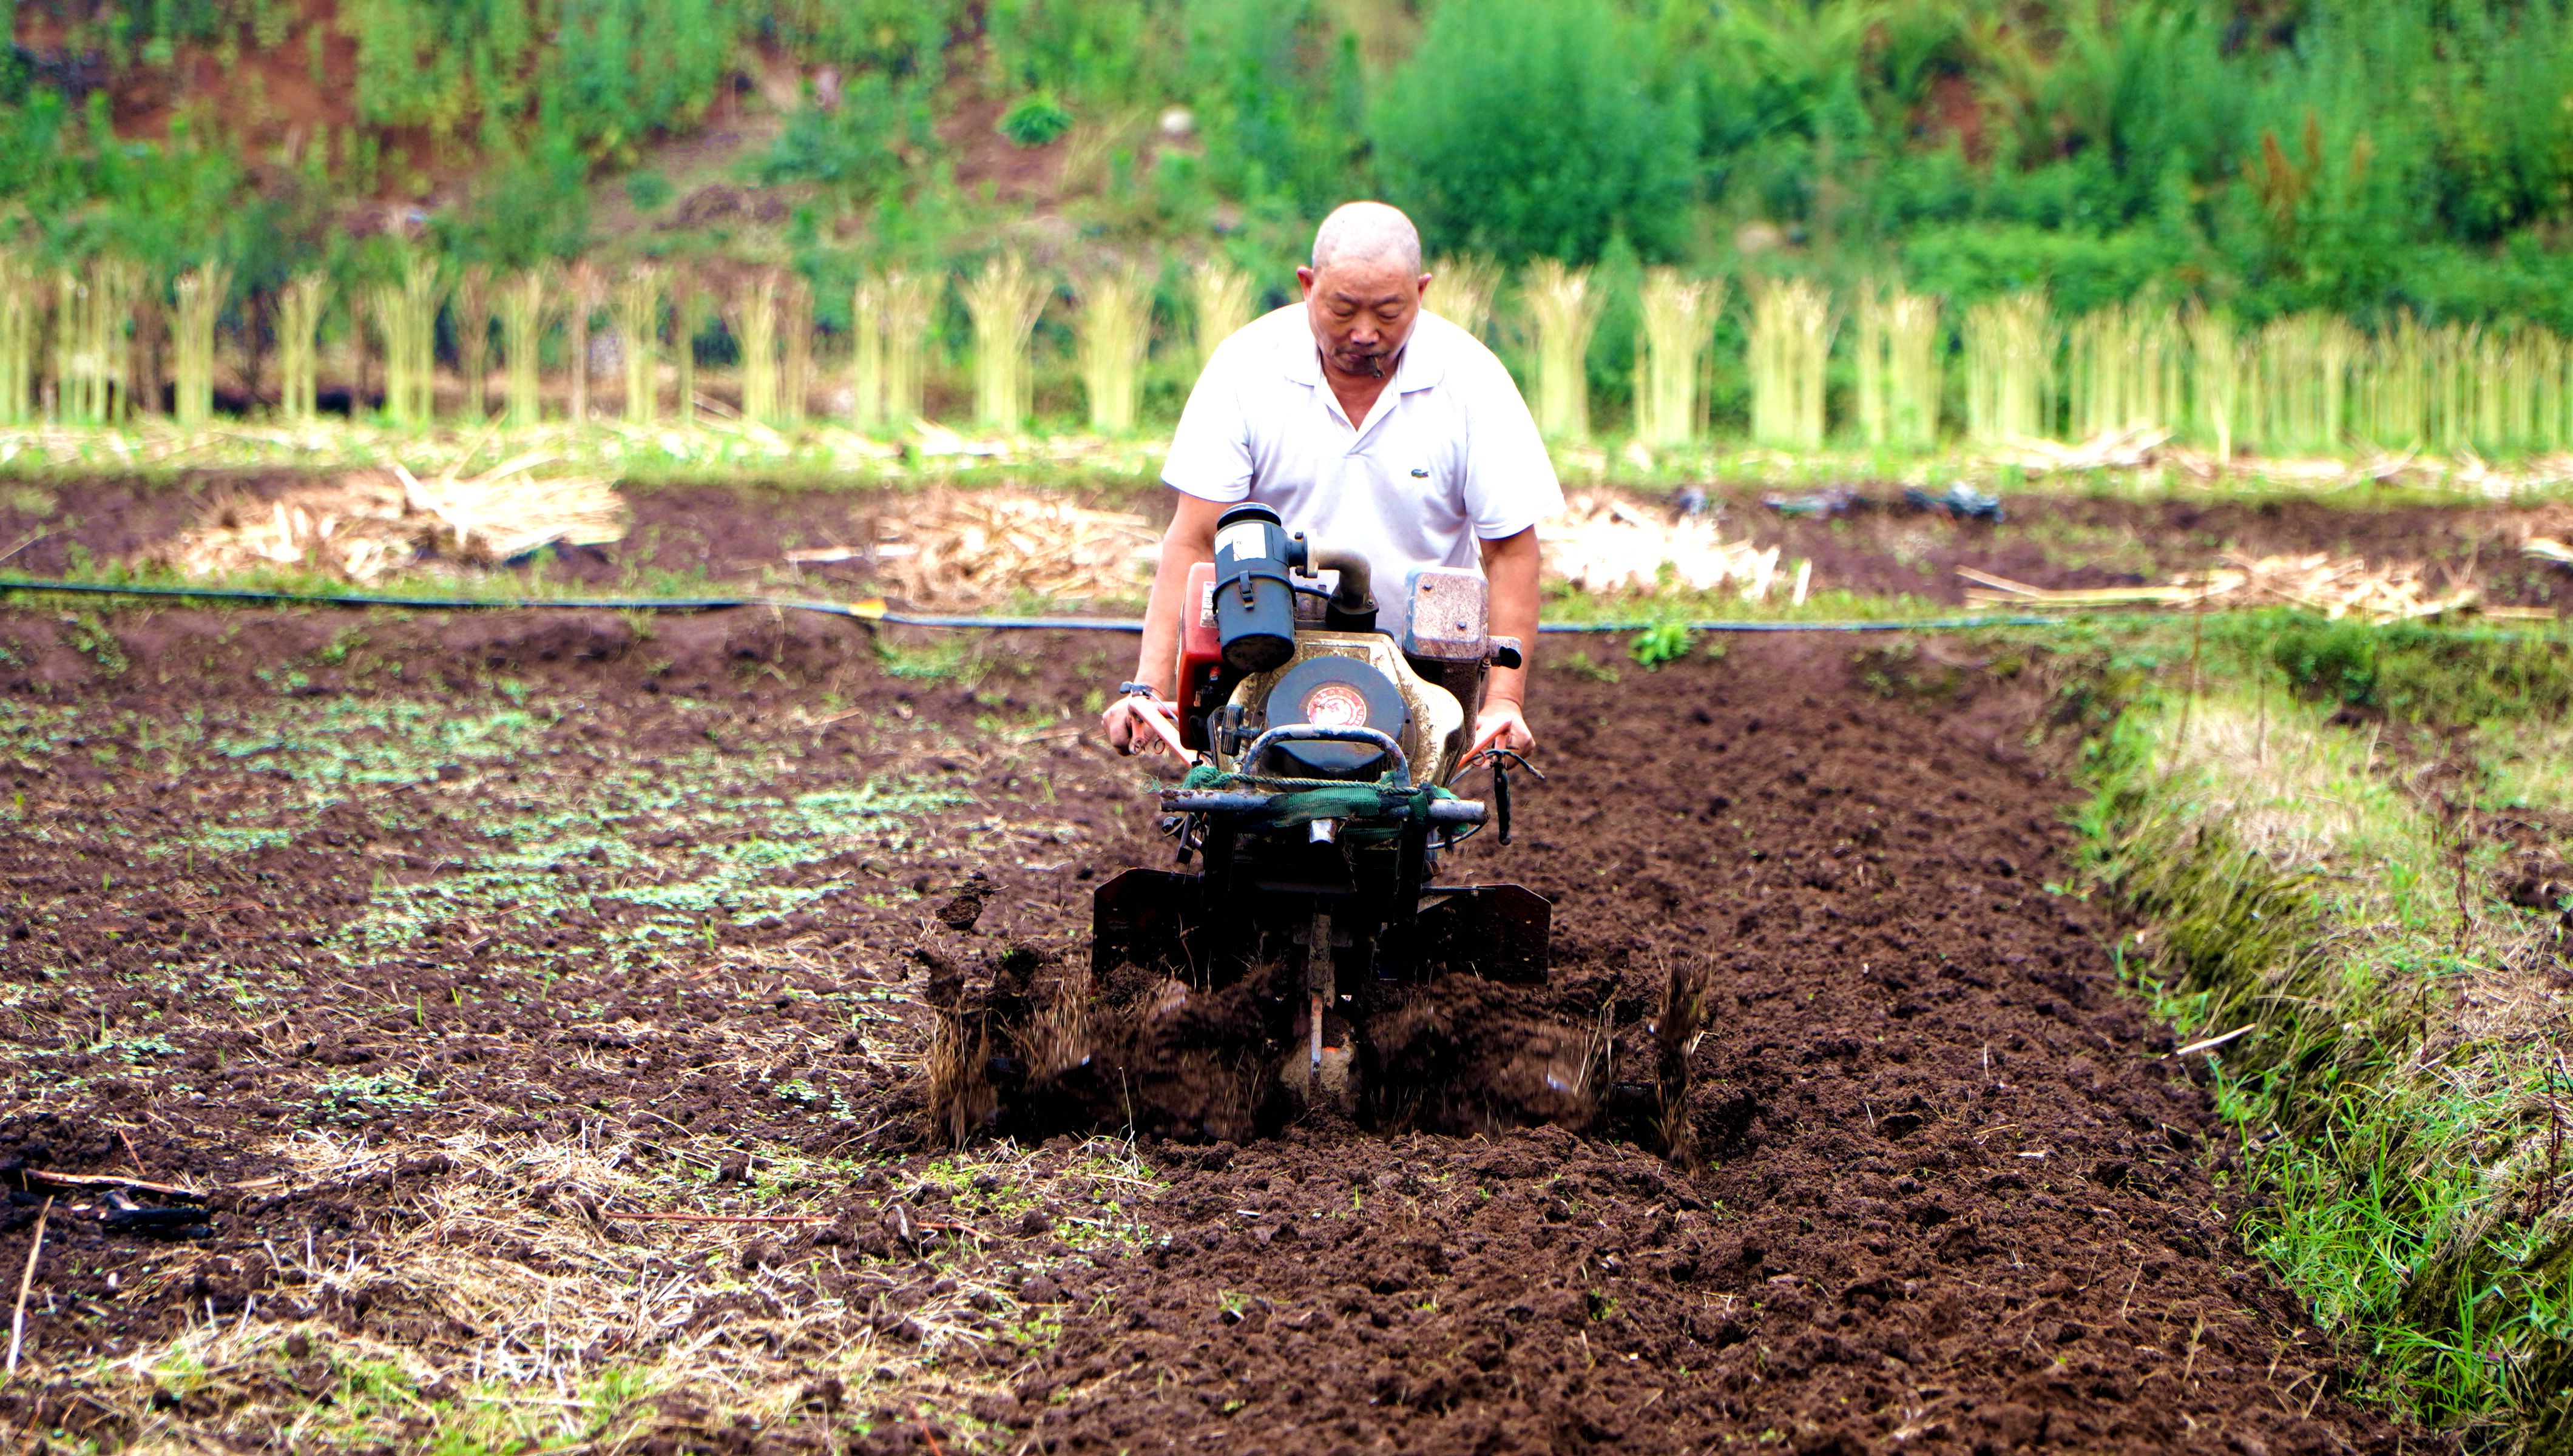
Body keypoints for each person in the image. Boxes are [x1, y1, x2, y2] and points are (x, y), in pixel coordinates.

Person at [1100, 200, 1561, 766]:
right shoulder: (1246, 368)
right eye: (1343, 309)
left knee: (1406, 825)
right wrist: (1152, 687)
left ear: (1421, 291)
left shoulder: (1472, 381)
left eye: (1389, 312)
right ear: (1307, 286)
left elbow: (1511, 550)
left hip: (1420, 667)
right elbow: (1195, 538)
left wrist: (1504, 702)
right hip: (1265, 649)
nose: (1364, 333)